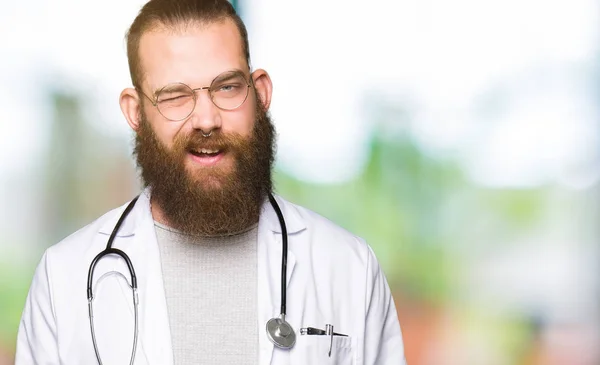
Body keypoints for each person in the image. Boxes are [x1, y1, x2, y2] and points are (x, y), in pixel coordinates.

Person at [15, 0, 407, 364]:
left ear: (261, 92)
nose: (206, 120)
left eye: (227, 87)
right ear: (135, 113)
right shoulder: (63, 279)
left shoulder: (348, 268)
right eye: (175, 96)